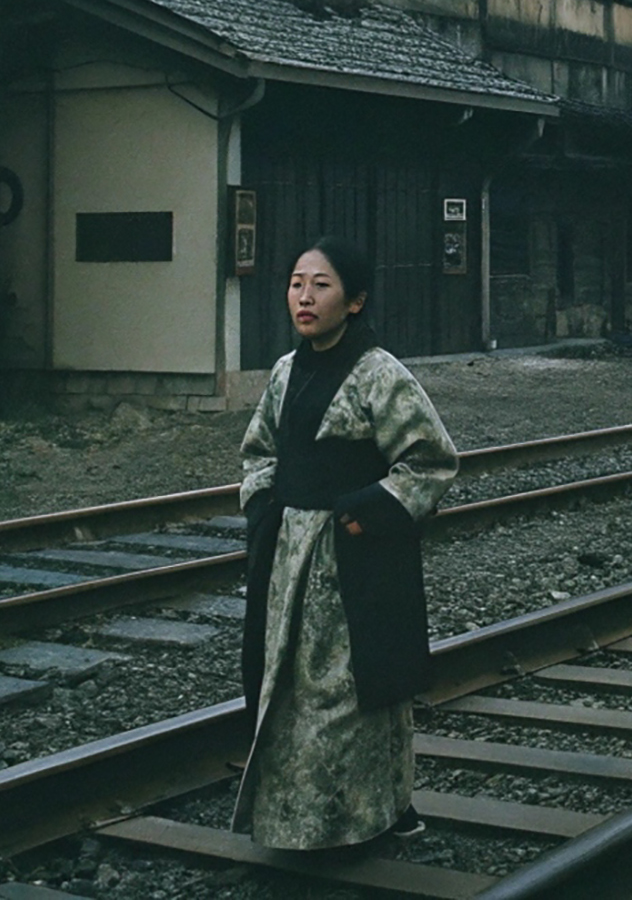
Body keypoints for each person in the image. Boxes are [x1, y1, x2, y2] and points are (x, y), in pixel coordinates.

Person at [232, 237, 458, 850]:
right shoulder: (285, 372)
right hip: (290, 562)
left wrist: (368, 514)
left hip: (357, 559)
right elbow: (259, 452)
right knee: (291, 692)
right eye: (296, 283)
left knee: (354, 692)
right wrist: (264, 509)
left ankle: (375, 813)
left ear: (354, 301)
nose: (304, 297)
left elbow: (431, 461)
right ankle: (294, 823)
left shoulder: (381, 375)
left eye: (321, 285)